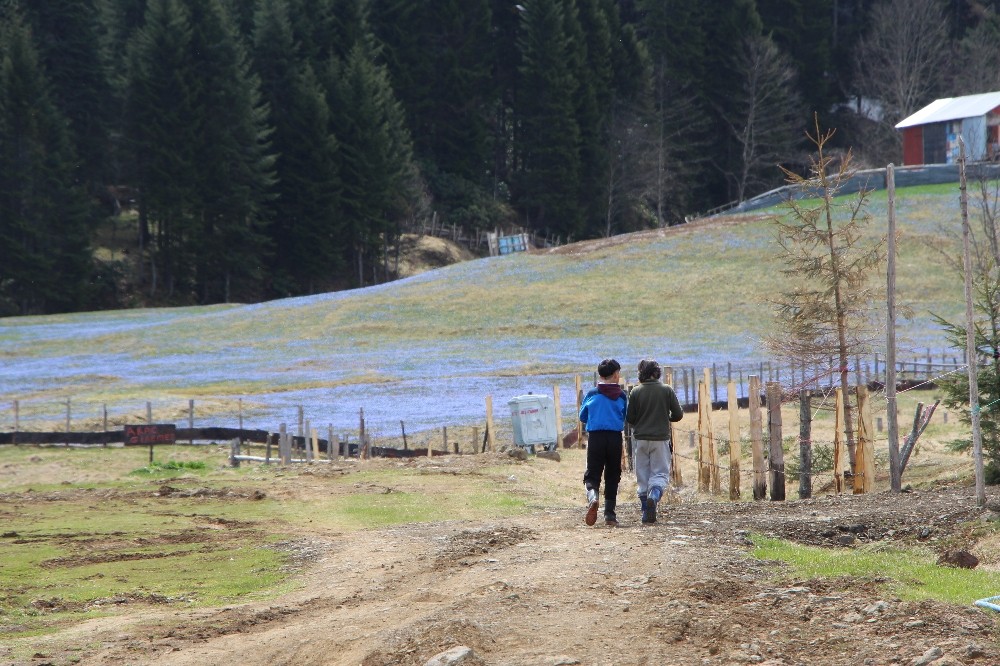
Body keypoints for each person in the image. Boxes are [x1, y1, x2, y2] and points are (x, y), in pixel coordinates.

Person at [626, 359, 683, 524]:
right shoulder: (666, 390)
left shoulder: (635, 391)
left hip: (641, 439)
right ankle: (654, 495)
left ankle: (645, 512)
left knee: (642, 475)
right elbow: (678, 415)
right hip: (660, 439)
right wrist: (666, 417)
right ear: (656, 373)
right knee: (659, 473)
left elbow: (630, 418)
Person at [578, 358, 627, 527]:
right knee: (613, 475)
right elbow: (625, 416)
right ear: (616, 375)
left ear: (599, 375)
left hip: (596, 437)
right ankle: (610, 515)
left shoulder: (592, 394)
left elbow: (582, 416)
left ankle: (593, 498)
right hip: (614, 438)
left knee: (592, 474)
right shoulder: (621, 395)